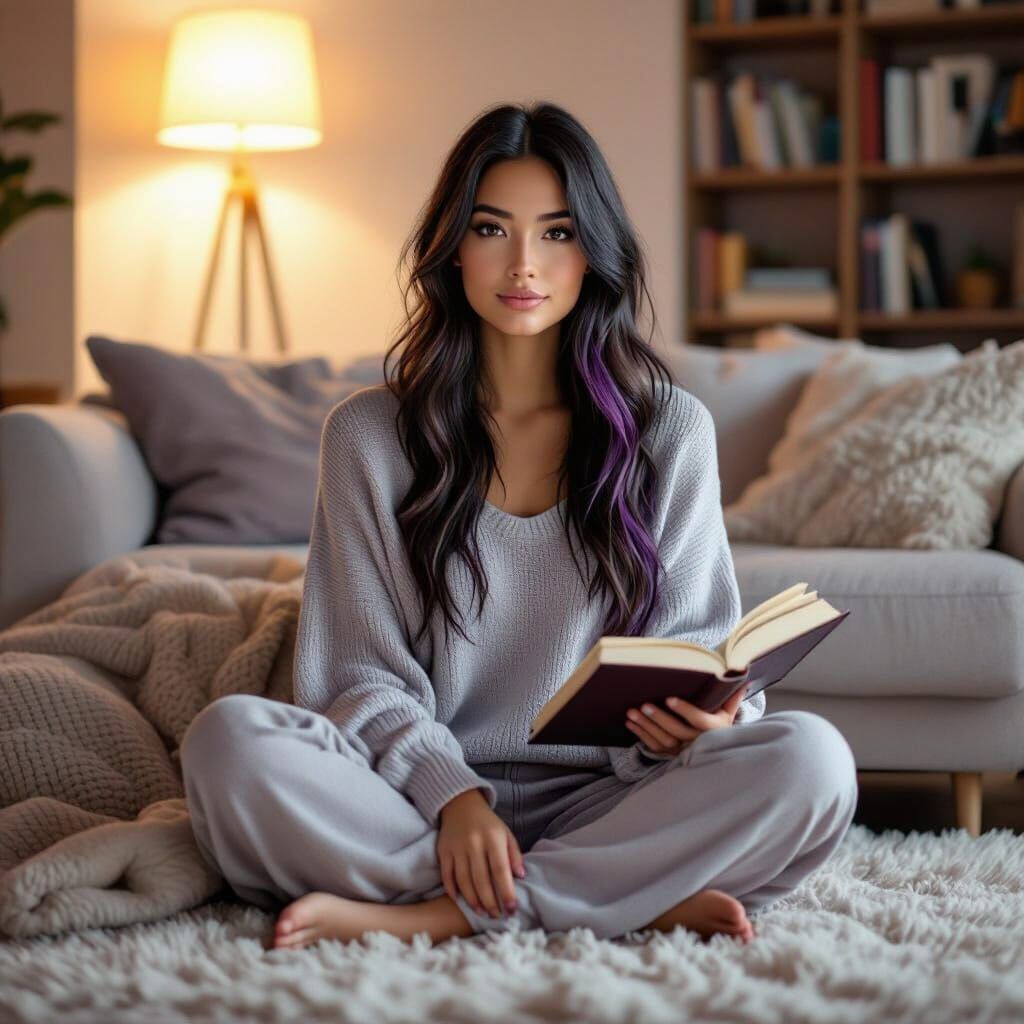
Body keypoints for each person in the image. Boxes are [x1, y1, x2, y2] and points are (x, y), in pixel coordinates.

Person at [179, 101, 859, 952]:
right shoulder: (368, 435)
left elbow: (700, 646)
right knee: (229, 745)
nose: (525, 264)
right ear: (453, 246)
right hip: (417, 802)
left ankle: (430, 914)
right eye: (494, 228)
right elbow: (356, 670)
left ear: (594, 252)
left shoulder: (670, 431)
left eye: (559, 232)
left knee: (814, 763)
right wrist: (455, 799)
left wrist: (717, 721)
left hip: (614, 796)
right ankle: (620, 897)